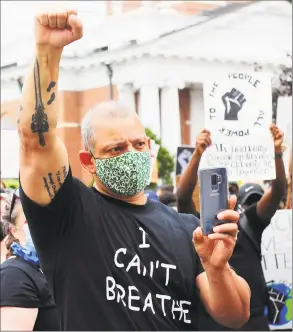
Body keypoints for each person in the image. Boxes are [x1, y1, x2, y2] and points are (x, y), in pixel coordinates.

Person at [18, 8, 250, 331]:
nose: (132, 153)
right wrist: (47, 51)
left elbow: (236, 314)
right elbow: (35, 140)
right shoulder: (67, 214)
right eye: (116, 148)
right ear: (88, 162)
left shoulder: (186, 230)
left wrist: (217, 268)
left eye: (139, 144)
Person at [177, 125, 286, 331]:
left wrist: (277, 153)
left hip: (253, 324)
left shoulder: (249, 224)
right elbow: (182, 197)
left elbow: (278, 189)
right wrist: (198, 154)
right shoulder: (200, 232)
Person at [0, 189, 60, 331]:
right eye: (30, 220)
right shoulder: (14, 275)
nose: (41, 226)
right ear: (13, 229)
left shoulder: (51, 270)